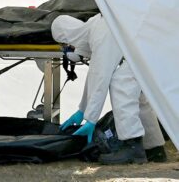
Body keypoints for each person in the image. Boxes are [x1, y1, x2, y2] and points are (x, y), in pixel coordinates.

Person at [52, 13, 167, 164]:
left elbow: (100, 77)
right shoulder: (94, 26)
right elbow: (95, 74)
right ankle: (154, 149)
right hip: (153, 44)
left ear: (68, 39)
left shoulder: (99, 33)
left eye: (64, 46)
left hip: (152, 45)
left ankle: (132, 148)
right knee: (137, 95)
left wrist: (91, 118)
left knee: (121, 84)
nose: (66, 51)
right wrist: (82, 109)